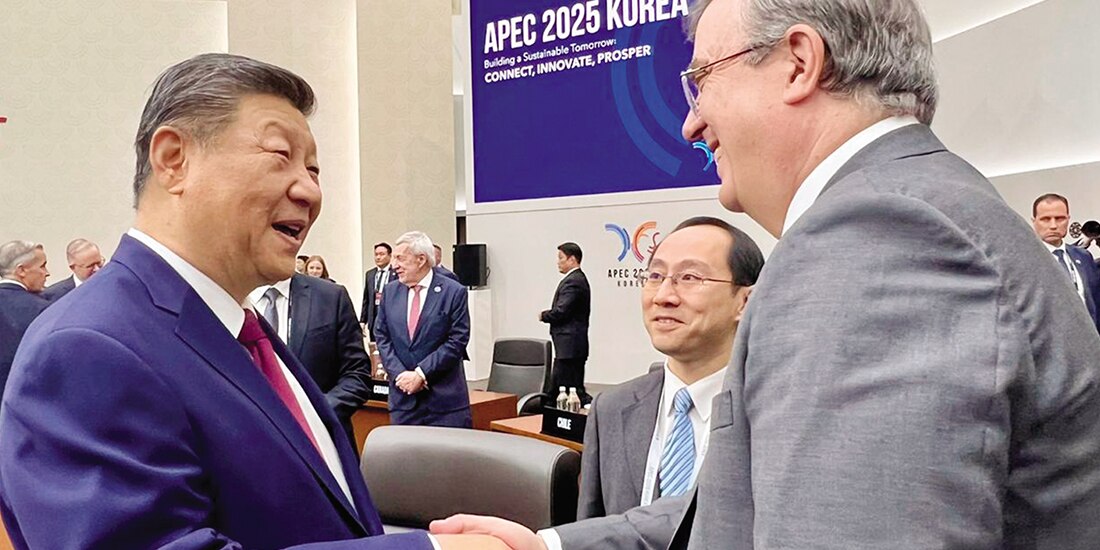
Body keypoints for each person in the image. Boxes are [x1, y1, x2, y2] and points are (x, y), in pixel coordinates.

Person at [431, 0, 1100, 548]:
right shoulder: (910, 209)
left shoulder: (878, 234)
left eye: (702, 80)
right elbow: (757, 496)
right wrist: (546, 546)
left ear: (798, 64)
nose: (692, 122)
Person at [0, 53, 500, 550]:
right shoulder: (86, 348)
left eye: (315, 169)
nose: (310, 190)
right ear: (174, 159)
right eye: (280, 156)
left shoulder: (240, 332)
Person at [577, 217, 761, 520]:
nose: (663, 296)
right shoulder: (610, 408)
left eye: (689, 277)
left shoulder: (774, 416)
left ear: (745, 301)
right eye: (655, 276)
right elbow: (591, 531)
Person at [250, 271, 373, 451]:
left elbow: (357, 374)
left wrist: (316, 413)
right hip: (251, 448)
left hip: (320, 447)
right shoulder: (223, 298)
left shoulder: (330, 297)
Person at [374, 231, 472, 427]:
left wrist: (421, 374)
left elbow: (457, 340)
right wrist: (400, 374)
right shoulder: (390, 291)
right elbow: (382, 336)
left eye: (400, 258)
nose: (394, 265)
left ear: (420, 260)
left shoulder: (453, 292)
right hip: (403, 402)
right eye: (393, 258)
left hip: (444, 404)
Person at [1032, 193, 1100, 332]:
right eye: (1045, 219)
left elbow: (1095, 301)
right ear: (1034, 221)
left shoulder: (1083, 256)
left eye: (1060, 218)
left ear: (1068, 219)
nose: (1053, 225)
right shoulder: (1025, 260)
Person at [539, 242, 591, 403]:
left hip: (570, 345)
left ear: (572, 260)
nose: (558, 262)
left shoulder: (574, 281)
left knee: (567, 388)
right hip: (570, 345)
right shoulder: (576, 279)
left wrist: (544, 315)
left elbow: (562, 311)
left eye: (561, 258)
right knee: (570, 386)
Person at [0, 240, 51, 397]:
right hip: (24, 399)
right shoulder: (41, 309)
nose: (47, 272)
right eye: (42, 266)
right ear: (21, 270)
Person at [361, 242, 394, 340]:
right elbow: (366, 299)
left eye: (382, 254)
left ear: (390, 255)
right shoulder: (370, 274)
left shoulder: (396, 273)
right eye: (376, 254)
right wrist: (363, 321)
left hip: (390, 316)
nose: (378, 257)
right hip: (374, 316)